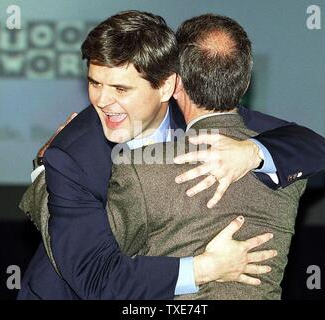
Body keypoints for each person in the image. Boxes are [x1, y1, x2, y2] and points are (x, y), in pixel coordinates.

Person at [18, 10, 325, 300]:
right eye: (94, 83)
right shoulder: (73, 155)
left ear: (169, 86)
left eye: (121, 89)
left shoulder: (197, 110)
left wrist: (251, 152)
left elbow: (310, 145)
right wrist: (203, 268)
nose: (101, 100)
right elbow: (97, 279)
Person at [105, 13, 308, 299]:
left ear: (175, 84)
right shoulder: (291, 175)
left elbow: (96, 269)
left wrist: (44, 172)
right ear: (245, 82)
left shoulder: (141, 169)